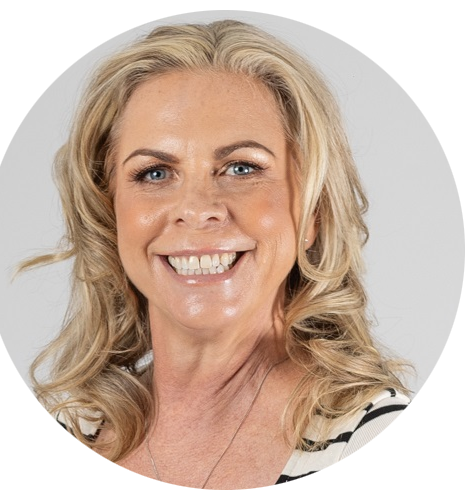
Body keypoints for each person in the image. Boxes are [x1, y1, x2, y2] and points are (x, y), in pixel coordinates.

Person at [21, 20, 411, 489]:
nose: (197, 208)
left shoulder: (380, 444)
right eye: (155, 173)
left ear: (313, 210)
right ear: (110, 213)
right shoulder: (62, 438)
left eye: (241, 167)